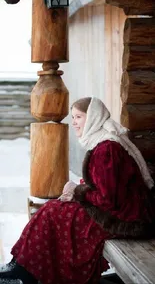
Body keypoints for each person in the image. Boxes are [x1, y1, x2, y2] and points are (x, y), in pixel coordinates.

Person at [0, 97, 155, 284]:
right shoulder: (103, 142)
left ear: (93, 118)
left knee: (53, 213)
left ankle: (26, 270)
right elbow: (103, 184)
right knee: (52, 209)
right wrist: (76, 188)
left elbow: (108, 199)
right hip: (121, 209)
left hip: (125, 217)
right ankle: (21, 265)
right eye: (73, 117)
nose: (74, 122)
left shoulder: (107, 149)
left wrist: (78, 192)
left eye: (79, 117)